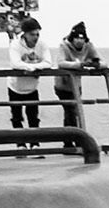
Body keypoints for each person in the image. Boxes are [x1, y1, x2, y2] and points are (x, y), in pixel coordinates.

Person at [54, 21, 101, 151]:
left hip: (76, 85)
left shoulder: (88, 46)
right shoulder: (64, 46)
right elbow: (61, 62)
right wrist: (78, 65)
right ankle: (73, 142)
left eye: (82, 38)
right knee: (71, 111)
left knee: (74, 112)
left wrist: (95, 64)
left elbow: (101, 61)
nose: (80, 41)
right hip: (62, 84)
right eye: (77, 38)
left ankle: (70, 142)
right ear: (72, 38)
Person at [7, 17, 53, 146]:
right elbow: (15, 63)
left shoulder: (42, 44)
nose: (36, 37)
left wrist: (34, 68)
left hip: (32, 87)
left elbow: (48, 62)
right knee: (16, 117)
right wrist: (30, 67)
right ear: (25, 34)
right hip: (15, 87)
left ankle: (35, 143)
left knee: (33, 117)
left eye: (37, 34)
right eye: (32, 34)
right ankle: (20, 144)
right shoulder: (15, 44)